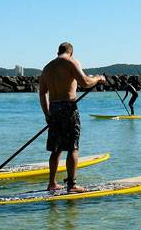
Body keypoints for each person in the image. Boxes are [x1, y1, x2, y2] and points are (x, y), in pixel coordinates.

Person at [39, 42, 106, 192]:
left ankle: (52, 183)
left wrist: (47, 114)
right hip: (68, 108)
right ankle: (72, 185)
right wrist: (98, 78)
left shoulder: (47, 68)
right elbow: (85, 82)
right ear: (71, 52)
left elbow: (42, 93)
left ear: (58, 51)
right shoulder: (70, 62)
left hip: (54, 109)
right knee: (73, 147)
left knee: (56, 149)